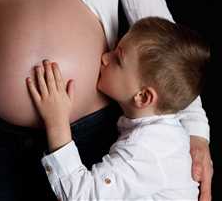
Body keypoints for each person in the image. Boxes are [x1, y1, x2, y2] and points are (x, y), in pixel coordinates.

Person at [0, 0, 213, 200]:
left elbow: (153, 19)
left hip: (87, 132)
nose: (105, 58)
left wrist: (195, 126)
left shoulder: (148, 148)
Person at [27, 17, 210, 200]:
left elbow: (83, 196)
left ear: (143, 97)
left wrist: (57, 122)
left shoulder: (146, 148)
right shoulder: (161, 133)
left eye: (118, 59)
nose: (105, 58)